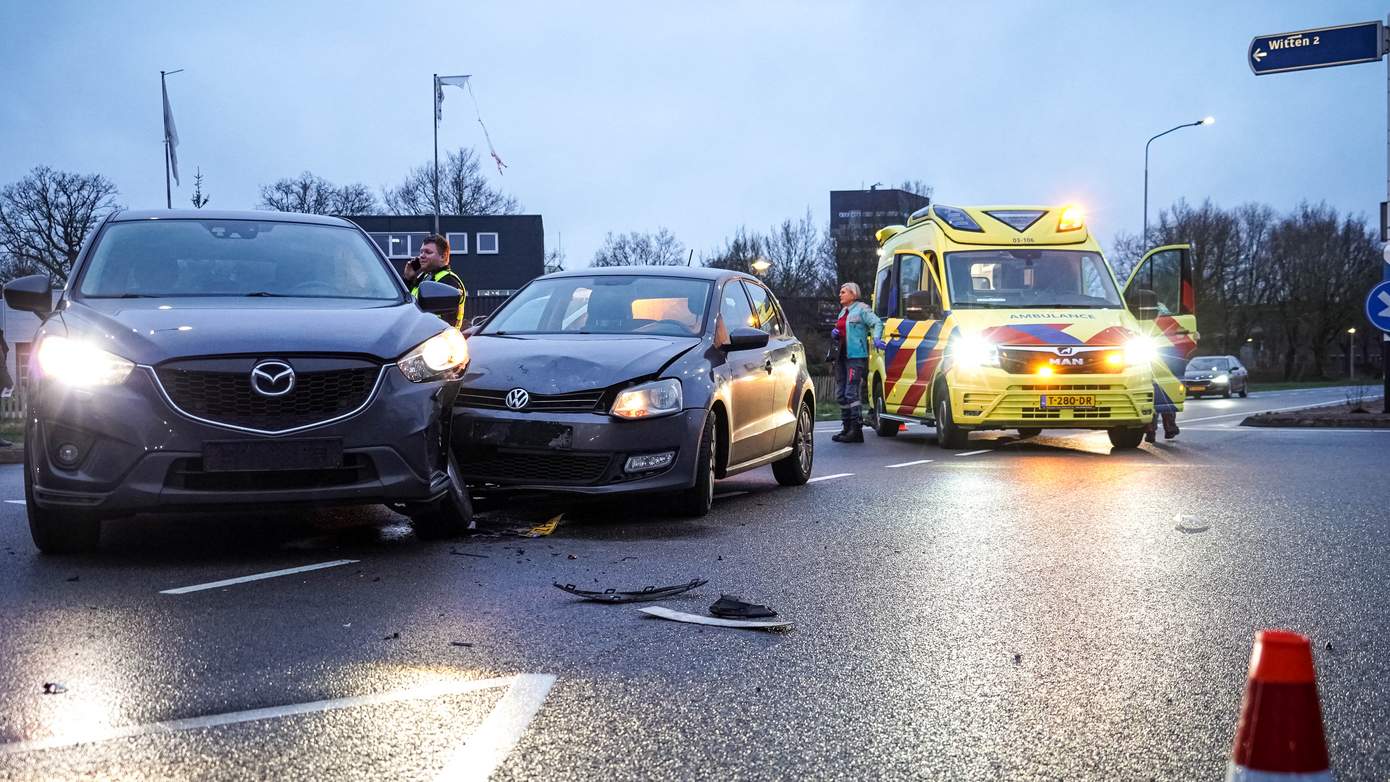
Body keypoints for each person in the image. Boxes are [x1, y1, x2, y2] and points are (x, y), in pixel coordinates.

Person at [830, 282, 885, 443]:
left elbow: (876, 323)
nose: (840, 294)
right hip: (841, 356)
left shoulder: (862, 309)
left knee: (851, 392)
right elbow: (842, 329)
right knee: (841, 394)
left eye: (843, 292)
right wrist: (835, 333)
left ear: (853, 294)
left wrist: (876, 338)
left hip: (855, 356)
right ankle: (846, 428)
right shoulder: (842, 312)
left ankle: (856, 430)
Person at [403, 234, 467, 329]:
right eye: (421, 252)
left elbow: (444, 321)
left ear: (443, 256)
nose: (421, 256)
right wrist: (408, 279)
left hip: (439, 340)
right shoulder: (424, 277)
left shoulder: (449, 280)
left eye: (428, 252)